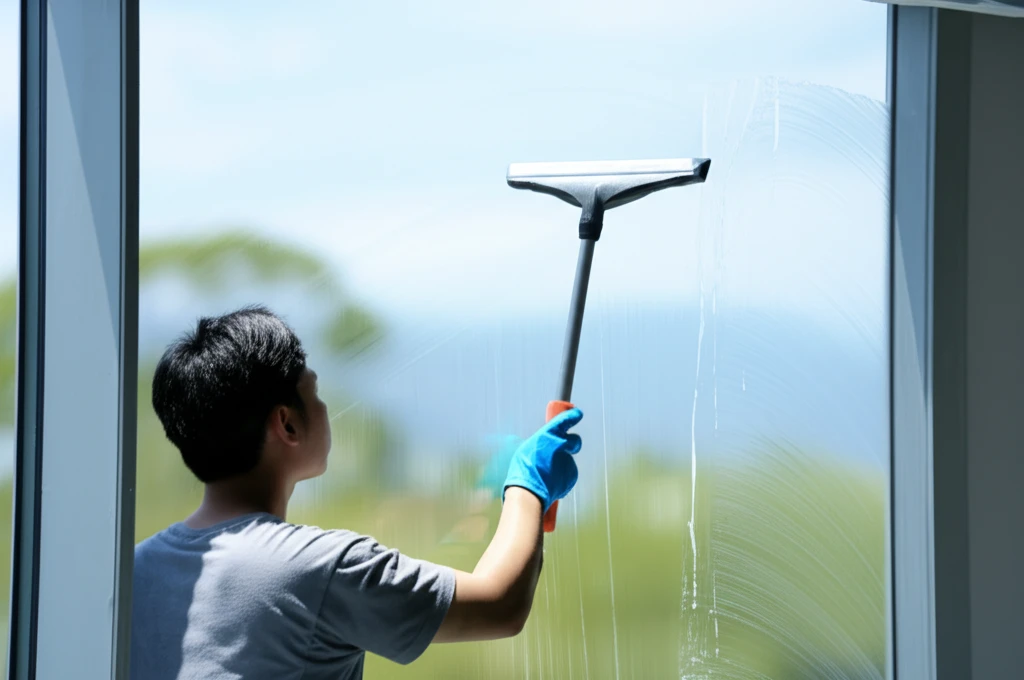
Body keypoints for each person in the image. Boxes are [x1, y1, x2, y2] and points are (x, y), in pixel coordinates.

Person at [130, 306, 583, 679]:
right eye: (315, 392)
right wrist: (528, 484)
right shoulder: (316, 569)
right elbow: (499, 605)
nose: (326, 408)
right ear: (286, 423)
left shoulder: (134, 572)